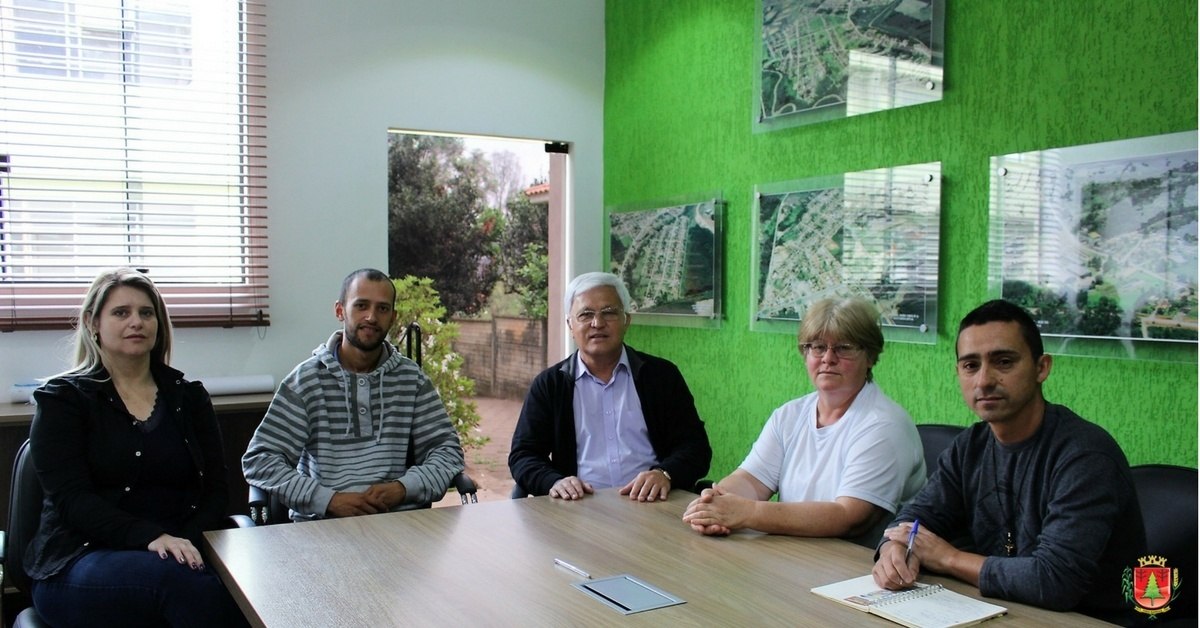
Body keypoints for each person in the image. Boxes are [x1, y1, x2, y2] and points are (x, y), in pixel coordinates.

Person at [872, 300, 1145, 624]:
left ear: (1041, 367)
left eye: (1003, 362)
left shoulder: (1085, 456)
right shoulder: (969, 447)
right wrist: (894, 549)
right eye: (970, 365)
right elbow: (917, 518)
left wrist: (948, 558)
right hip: (1003, 610)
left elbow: (1055, 579)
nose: (984, 380)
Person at [25, 268, 247, 627]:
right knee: (181, 583)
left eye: (146, 313)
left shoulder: (189, 398)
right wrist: (152, 538)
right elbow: (72, 501)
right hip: (82, 560)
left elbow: (216, 491)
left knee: (244, 583)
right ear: (92, 322)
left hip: (177, 553)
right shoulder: (63, 400)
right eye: (120, 312)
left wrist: (184, 544)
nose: (137, 322)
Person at [682, 297, 925, 540]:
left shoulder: (884, 426)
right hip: (797, 554)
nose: (828, 358)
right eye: (818, 347)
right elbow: (752, 480)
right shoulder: (790, 415)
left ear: (870, 356)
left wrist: (747, 512)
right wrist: (715, 502)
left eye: (844, 347)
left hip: (860, 566)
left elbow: (849, 517)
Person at [242, 268, 464, 519]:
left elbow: (448, 451)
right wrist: (328, 500)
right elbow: (260, 461)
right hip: (322, 527)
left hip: (397, 522)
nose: (371, 317)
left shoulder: (411, 380)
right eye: (361, 305)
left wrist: (402, 489)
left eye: (382, 309)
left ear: (393, 317)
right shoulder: (306, 380)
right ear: (340, 311)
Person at [508, 272, 711, 501]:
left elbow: (695, 447)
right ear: (570, 325)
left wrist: (665, 474)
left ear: (627, 320)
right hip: (578, 508)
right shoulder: (550, 385)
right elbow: (523, 455)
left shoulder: (661, 376)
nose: (597, 323)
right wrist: (554, 481)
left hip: (652, 504)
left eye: (609, 312)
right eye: (585, 315)